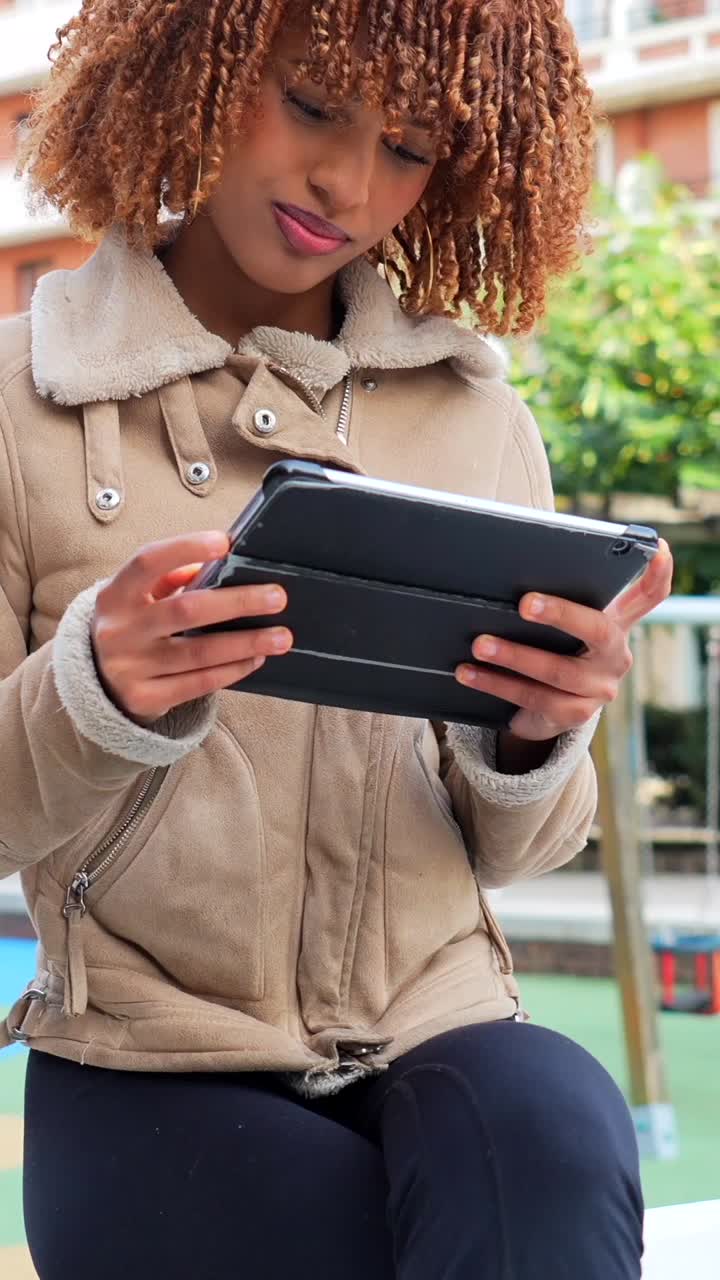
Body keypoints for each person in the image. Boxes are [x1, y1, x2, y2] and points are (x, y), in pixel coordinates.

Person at [0, 2, 671, 1277]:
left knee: (561, 1128)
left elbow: (519, 849)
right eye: (312, 106)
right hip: (147, 1062)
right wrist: (91, 688)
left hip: (443, 1025)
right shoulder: (20, 405)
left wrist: (540, 732)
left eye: (409, 147)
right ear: (199, 65)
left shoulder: (479, 420)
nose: (348, 184)